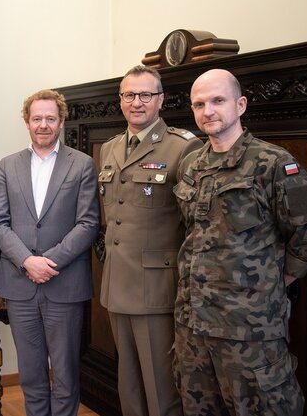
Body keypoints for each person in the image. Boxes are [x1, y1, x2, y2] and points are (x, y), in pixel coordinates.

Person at [173, 69, 307, 416]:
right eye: (199, 104)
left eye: (217, 101)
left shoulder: (273, 163)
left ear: (240, 105)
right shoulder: (191, 166)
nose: (207, 110)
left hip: (249, 330)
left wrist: (270, 282)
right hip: (192, 324)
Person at [98, 65, 202, 416]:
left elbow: (195, 225)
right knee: (128, 383)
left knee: (161, 387)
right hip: (116, 285)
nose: (137, 102)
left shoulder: (184, 148)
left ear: (161, 100)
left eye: (146, 95)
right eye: (129, 95)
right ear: (121, 100)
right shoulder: (110, 148)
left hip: (157, 287)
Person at [0, 89, 99, 416]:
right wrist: (26, 261)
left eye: (50, 118)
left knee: (65, 374)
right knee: (31, 373)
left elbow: (89, 223)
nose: (43, 125)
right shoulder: (8, 166)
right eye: (37, 118)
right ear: (27, 122)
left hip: (64, 283)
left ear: (61, 122)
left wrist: (48, 263)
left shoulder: (82, 164)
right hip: (20, 285)